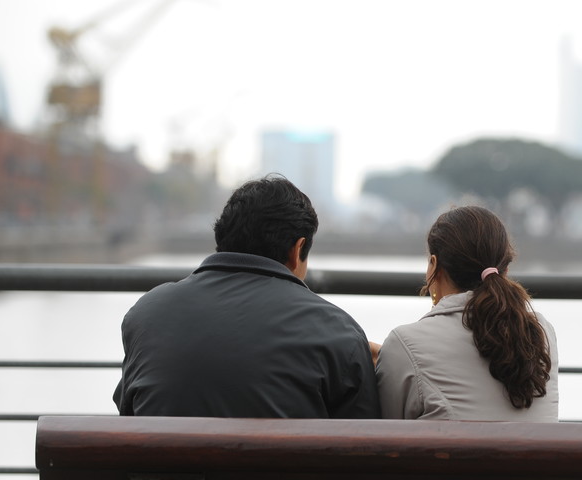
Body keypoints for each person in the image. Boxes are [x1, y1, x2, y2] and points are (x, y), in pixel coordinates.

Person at [375, 205, 559, 480]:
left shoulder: (406, 343)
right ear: (505, 269)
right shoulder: (542, 334)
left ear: (433, 265)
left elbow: (385, 449)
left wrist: (390, 360)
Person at [113, 174, 381, 420]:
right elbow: (363, 440)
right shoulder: (337, 332)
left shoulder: (147, 313)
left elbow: (129, 411)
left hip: (162, 460)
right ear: (298, 249)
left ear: (223, 237)